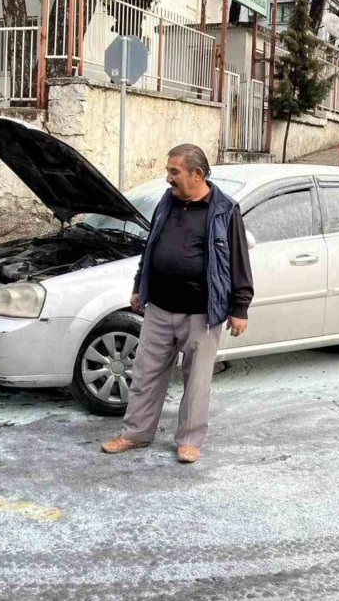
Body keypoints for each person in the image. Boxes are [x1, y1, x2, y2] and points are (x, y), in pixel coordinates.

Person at [101, 144, 253, 464]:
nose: (168, 178)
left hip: (202, 313)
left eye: (174, 172)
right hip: (159, 309)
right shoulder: (167, 203)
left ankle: (189, 441)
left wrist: (240, 308)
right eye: (168, 171)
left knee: (196, 382)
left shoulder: (225, 210)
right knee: (145, 375)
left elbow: (239, 260)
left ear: (197, 174)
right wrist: (138, 286)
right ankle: (136, 433)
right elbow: (152, 247)